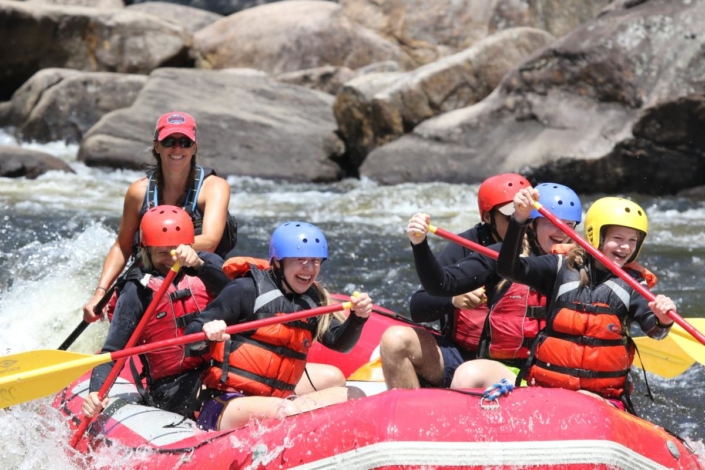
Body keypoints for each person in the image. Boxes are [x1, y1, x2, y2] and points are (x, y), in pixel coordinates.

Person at [184, 221, 373, 431]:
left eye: (316, 261)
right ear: (278, 262)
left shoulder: (312, 300)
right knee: (288, 412)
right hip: (226, 402)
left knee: (355, 395)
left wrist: (358, 318)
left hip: (278, 398)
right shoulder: (245, 289)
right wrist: (208, 332)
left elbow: (340, 344)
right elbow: (191, 336)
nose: (309, 269)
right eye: (300, 260)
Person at [497, 190, 675, 410]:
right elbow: (508, 269)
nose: (625, 247)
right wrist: (519, 220)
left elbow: (656, 330)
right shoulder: (559, 267)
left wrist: (663, 319)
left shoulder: (633, 283)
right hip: (549, 390)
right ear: (595, 235)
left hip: (601, 399)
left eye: (632, 240)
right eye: (617, 238)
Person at [402, 183, 582, 390]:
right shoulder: (499, 257)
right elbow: (440, 284)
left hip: (562, 376)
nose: (562, 232)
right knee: (469, 375)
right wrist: (419, 244)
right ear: (532, 224)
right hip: (509, 372)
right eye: (553, 223)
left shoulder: (583, 265)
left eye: (569, 225)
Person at [82, 111, 238, 323]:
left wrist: (162, 248)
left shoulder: (214, 187)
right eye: (169, 142)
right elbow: (122, 246)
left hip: (199, 272)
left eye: (184, 142)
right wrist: (100, 293)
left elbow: (210, 241)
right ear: (157, 146)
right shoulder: (139, 191)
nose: (177, 148)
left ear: (194, 147)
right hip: (152, 275)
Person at [380, 173, 531, 389]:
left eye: (528, 216)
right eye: (512, 217)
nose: (522, 223)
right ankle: (409, 416)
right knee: (395, 341)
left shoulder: (539, 247)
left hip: (516, 365)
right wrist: (453, 299)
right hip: (461, 355)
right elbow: (418, 306)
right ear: (488, 218)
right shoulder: (463, 246)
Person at [82, 206, 230, 419]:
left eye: (176, 249)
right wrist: (96, 393)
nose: (172, 258)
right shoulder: (136, 290)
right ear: (146, 250)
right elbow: (113, 353)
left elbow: (241, 293)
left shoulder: (206, 264)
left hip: (220, 368)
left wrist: (198, 264)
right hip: (172, 387)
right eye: (162, 252)